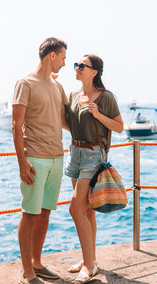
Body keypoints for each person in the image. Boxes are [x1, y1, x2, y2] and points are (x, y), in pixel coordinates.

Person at [11, 37, 68, 284]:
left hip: (57, 157)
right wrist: (22, 162)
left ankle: (37, 262)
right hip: (35, 158)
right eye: (63, 58)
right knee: (30, 213)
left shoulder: (58, 87)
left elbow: (65, 121)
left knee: (45, 212)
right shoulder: (25, 83)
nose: (65, 63)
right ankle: (27, 271)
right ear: (52, 56)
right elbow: (16, 124)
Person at [64, 54, 123, 284]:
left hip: (93, 156)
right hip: (75, 153)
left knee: (75, 209)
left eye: (82, 66)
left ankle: (89, 267)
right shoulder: (72, 95)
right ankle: (90, 259)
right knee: (86, 211)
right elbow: (67, 124)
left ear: (94, 72)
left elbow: (119, 127)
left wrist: (98, 114)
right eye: (76, 65)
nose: (77, 68)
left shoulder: (106, 98)